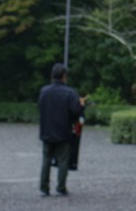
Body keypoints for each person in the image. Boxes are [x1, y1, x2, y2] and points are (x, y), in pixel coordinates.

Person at [38, 63, 86, 196]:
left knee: (46, 159)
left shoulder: (44, 91)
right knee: (63, 160)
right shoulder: (70, 93)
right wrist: (81, 105)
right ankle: (61, 187)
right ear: (64, 76)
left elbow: (40, 108)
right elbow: (76, 111)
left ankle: (44, 187)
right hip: (63, 132)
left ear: (52, 76)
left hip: (47, 131)